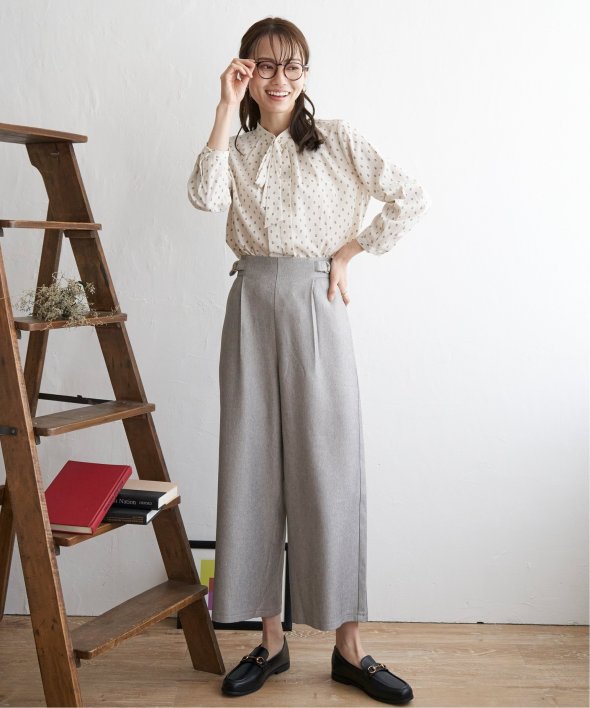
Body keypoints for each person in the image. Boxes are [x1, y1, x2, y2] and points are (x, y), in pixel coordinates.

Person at [187, 16, 430, 705]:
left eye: (293, 66)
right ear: (244, 70)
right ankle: (270, 641)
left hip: (316, 305)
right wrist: (223, 109)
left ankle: (349, 649)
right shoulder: (234, 149)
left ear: (305, 73)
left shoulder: (337, 140)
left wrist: (347, 253)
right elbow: (205, 198)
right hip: (250, 306)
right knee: (252, 467)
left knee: (330, 469)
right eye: (265, 66)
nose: (280, 78)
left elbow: (411, 197)